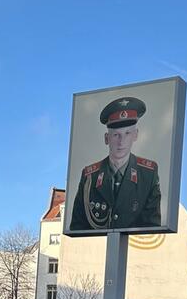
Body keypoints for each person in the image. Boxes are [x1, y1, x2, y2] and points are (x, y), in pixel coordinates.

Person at [69, 96, 162, 231]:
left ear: (135, 135)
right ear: (107, 138)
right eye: (116, 135)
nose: (121, 141)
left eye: (127, 133)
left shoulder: (148, 174)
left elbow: (152, 229)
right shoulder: (89, 176)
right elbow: (77, 228)